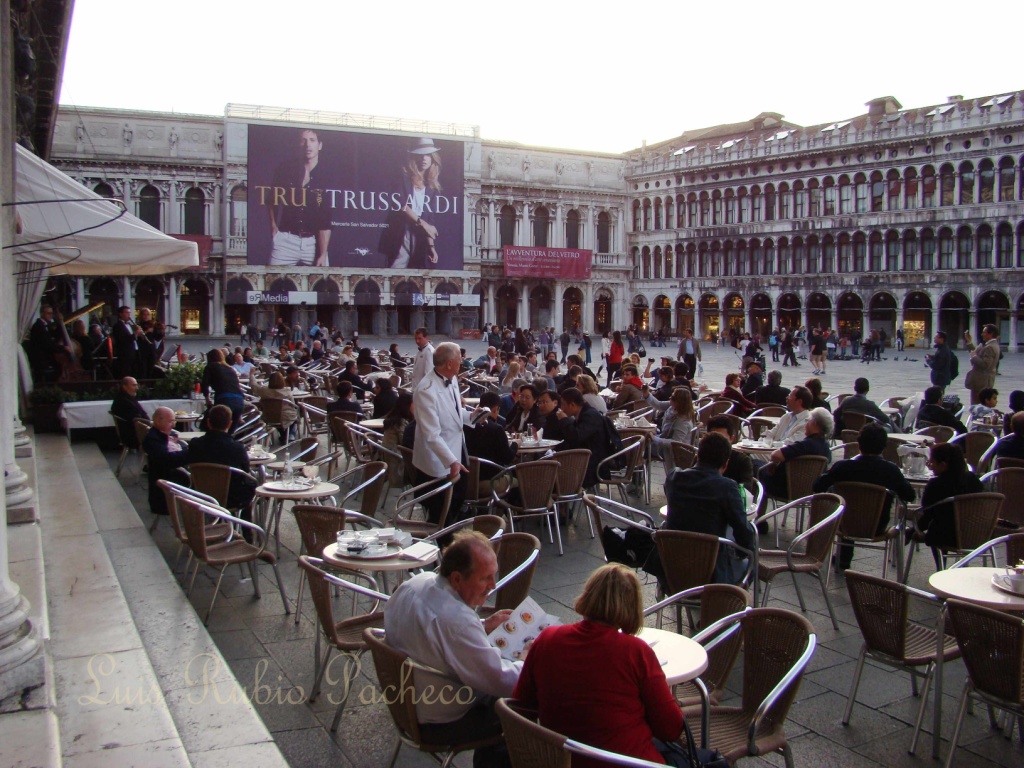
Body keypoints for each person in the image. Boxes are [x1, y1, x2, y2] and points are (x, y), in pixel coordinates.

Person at [514, 564, 684, 768]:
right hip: (629, 762)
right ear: (631, 607)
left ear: (588, 595)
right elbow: (671, 730)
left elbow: (522, 708)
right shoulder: (635, 652)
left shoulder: (547, 640)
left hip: (560, 760)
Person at [383, 532, 520, 768]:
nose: (493, 586)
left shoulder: (415, 584)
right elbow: (502, 680)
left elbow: (436, 631)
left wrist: (484, 625)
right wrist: (530, 659)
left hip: (405, 706)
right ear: (456, 579)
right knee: (522, 706)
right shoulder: (457, 622)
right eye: (485, 578)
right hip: (440, 722)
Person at [814, 423, 915, 569]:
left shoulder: (842, 467)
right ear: (883, 447)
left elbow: (817, 486)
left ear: (859, 444)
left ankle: (843, 558)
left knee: (848, 509)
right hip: (877, 526)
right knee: (860, 511)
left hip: (845, 525)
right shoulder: (890, 470)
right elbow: (910, 496)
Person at [660, 432, 756, 585]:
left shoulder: (674, 477)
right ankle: (733, 602)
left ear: (697, 456)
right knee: (752, 557)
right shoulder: (727, 487)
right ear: (725, 464)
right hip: (712, 575)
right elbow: (743, 533)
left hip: (672, 569)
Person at [413, 342, 481, 524]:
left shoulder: (452, 379)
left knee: (457, 501)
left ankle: (451, 540)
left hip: (458, 450)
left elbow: (454, 414)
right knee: (441, 512)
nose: (462, 362)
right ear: (450, 363)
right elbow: (431, 435)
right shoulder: (426, 391)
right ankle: (442, 547)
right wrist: (451, 461)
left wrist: (472, 416)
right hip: (438, 461)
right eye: (460, 359)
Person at [267, 128, 332, 267]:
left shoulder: (326, 176)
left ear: (320, 145)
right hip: (285, 241)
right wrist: (273, 227)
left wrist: (323, 253)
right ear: (299, 144)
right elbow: (271, 199)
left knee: (323, 286)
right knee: (272, 284)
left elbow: (325, 220)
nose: (308, 145)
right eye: (303, 140)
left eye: (312, 140)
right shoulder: (285, 169)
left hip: (312, 243)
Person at [916, 442, 984, 568]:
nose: (931, 467)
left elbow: (928, 514)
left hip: (945, 535)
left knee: (936, 526)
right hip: (974, 533)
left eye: (932, 463)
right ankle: (962, 565)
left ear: (943, 465)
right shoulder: (972, 479)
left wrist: (915, 529)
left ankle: (941, 567)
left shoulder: (935, 485)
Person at [379, 137, 444, 269]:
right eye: (421, 154)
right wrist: (423, 224)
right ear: (415, 157)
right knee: (395, 273)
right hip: (402, 231)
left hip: (420, 236)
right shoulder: (403, 176)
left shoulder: (432, 186)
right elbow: (401, 205)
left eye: (428, 155)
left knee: (418, 276)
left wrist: (431, 246)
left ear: (433, 158)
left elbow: (429, 219)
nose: (424, 158)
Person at [187, 405, 257, 515]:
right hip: (231, 498)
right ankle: (246, 529)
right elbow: (245, 471)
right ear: (229, 424)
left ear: (209, 422)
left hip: (201, 495)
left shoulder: (195, 444)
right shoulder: (237, 448)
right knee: (249, 486)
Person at [757, 407, 833, 502]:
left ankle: (756, 511)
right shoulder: (825, 447)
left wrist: (774, 464)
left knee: (755, 466)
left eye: (808, 421)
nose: (806, 423)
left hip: (785, 488)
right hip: (810, 490)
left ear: (814, 423)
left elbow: (776, 455)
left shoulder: (805, 445)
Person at [552, 387, 612, 489]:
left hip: (592, 464)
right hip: (583, 458)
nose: (561, 408)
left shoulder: (590, 415)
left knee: (551, 474)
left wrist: (564, 420)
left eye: (563, 404)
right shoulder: (583, 413)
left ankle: (557, 500)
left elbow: (577, 437)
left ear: (572, 405)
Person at [464, 392, 518, 492]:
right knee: (520, 480)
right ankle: (507, 507)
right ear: (495, 409)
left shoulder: (466, 426)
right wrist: (515, 444)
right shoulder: (496, 429)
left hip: (466, 482)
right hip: (491, 481)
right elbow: (507, 458)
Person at [143, 407, 190, 517]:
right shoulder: (153, 439)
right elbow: (168, 460)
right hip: (165, 486)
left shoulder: (158, 435)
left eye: (174, 422)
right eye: (170, 422)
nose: (173, 426)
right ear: (158, 421)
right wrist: (190, 454)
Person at [201, 349, 245, 433]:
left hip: (224, 400)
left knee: (217, 430)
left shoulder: (210, 367)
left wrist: (207, 399)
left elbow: (205, 384)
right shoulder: (230, 368)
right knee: (230, 433)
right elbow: (236, 385)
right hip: (239, 402)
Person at [647, 387, 696, 461]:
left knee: (640, 447)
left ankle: (636, 467)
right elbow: (659, 405)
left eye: (672, 397)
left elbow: (676, 443)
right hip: (664, 440)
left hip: (672, 452)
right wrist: (647, 395)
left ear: (679, 402)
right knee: (643, 441)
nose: (670, 397)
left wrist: (655, 439)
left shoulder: (682, 421)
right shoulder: (672, 407)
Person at [706, 414, 753, 487]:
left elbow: (746, 489)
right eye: (713, 438)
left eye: (722, 439)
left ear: (732, 439)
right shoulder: (703, 458)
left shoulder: (743, 461)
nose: (717, 443)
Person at [251, 371, 298, 442]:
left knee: (280, 418)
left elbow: (254, 386)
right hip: (285, 417)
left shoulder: (263, 391)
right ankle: (289, 434)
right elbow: (293, 404)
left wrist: (251, 375)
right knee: (294, 415)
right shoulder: (287, 392)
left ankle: (284, 435)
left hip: (268, 416)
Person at [382, 392, 415, 484]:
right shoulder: (400, 423)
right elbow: (406, 444)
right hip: (399, 464)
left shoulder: (393, 420)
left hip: (389, 459)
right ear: (407, 405)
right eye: (414, 404)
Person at [964, 324, 1000, 405]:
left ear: (990, 334)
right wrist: (969, 342)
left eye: (984, 332)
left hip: (982, 382)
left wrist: (974, 357)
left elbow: (985, 365)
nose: (982, 334)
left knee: (977, 405)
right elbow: (977, 353)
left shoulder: (990, 347)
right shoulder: (988, 345)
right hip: (981, 381)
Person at [111, 305, 141, 379]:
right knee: (126, 374)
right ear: (120, 314)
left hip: (134, 352)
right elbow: (122, 340)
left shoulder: (130, 325)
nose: (129, 315)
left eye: (129, 313)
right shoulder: (117, 326)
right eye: (126, 313)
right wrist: (135, 334)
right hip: (125, 354)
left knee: (135, 372)